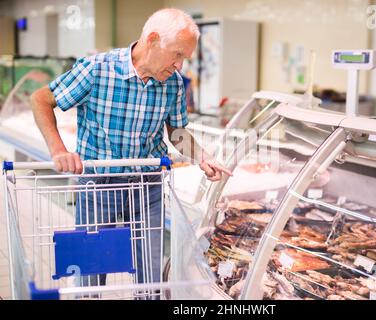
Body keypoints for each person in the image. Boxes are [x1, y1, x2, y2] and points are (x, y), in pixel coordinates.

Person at [30, 8, 232, 297]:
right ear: (152, 40)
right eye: (177, 54)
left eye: (184, 58)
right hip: (99, 187)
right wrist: (59, 150)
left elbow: (177, 133)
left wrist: (202, 156)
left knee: (148, 278)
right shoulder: (97, 69)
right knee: (90, 276)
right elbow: (41, 99)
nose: (179, 66)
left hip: (147, 189)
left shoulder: (172, 83)